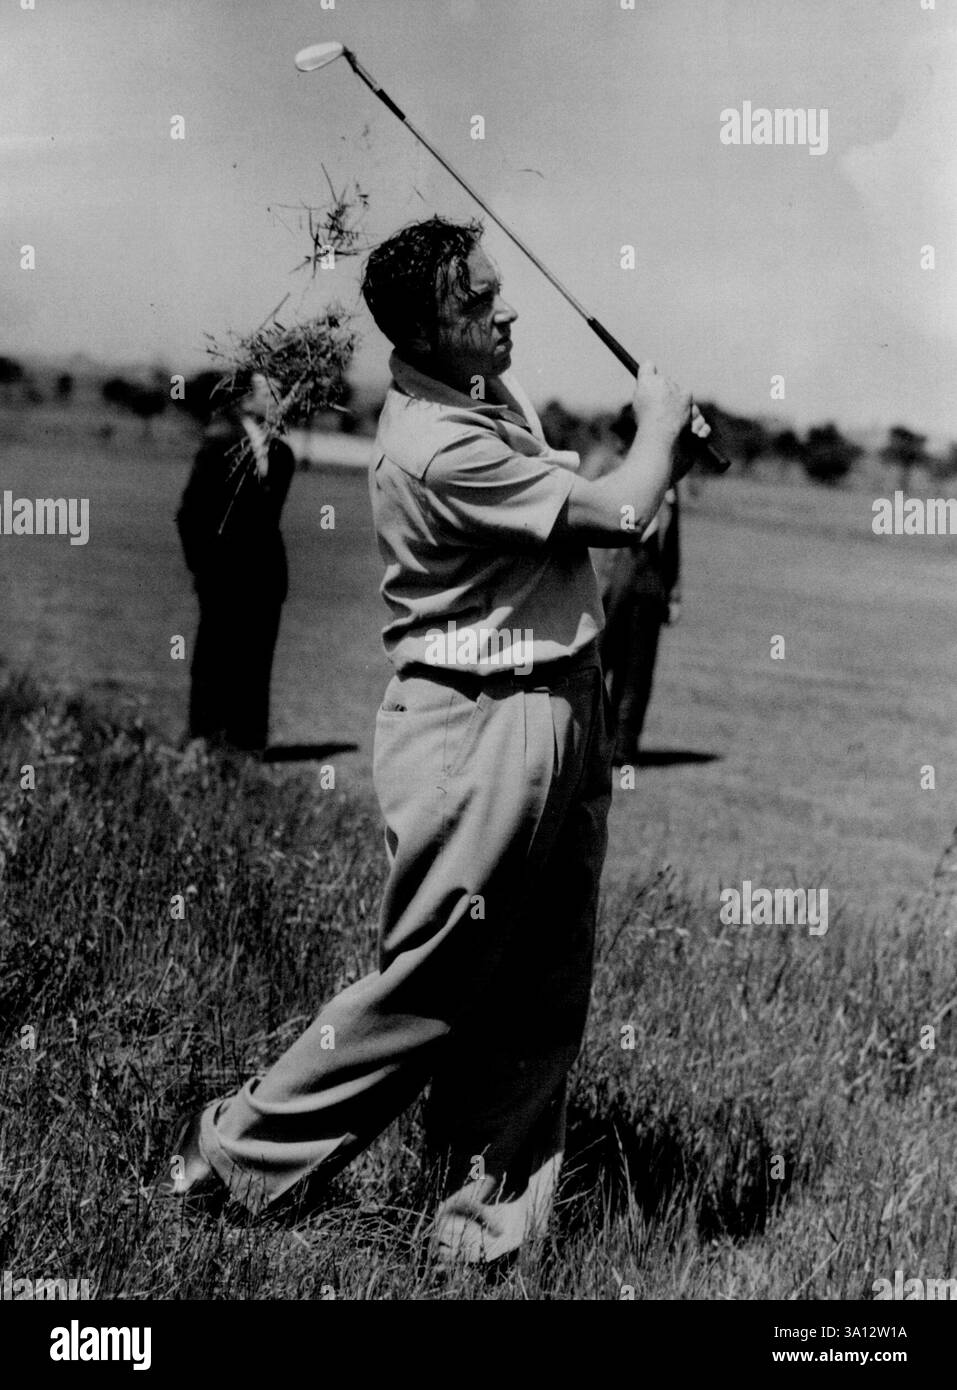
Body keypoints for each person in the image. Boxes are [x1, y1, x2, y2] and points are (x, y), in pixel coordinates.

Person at [158, 216, 709, 1266]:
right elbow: (621, 515)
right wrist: (660, 434)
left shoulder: (481, 398)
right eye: (476, 301)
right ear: (421, 330)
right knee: (431, 981)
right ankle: (230, 1157)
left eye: (500, 287)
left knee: (543, 987)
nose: (505, 309)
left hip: (552, 706)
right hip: (480, 724)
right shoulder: (437, 440)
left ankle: (482, 1233)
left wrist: (654, 449)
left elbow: (589, 495)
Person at [175, 370, 294, 754]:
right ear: (244, 399)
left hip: (264, 575)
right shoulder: (219, 441)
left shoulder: (280, 451)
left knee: (257, 657)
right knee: (214, 655)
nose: (276, 398)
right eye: (268, 392)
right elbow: (190, 513)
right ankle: (203, 738)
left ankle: (247, 744)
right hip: (223, 575)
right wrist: (204, 570)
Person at [590, 404, 682, 766]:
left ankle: (624, 750)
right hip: (607, 582)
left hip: (648, 585)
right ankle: (585, 746)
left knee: (637, 672)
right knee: (597, 665)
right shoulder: (603, 466)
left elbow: (673, 544)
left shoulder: (666, 476)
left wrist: (673, 593)